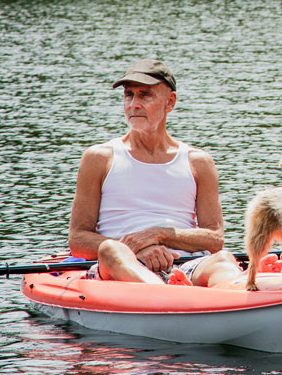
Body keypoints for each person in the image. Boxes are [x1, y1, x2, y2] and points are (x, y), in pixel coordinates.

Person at [66, 58, 235, 286]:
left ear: (170, 102)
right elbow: (78, 240)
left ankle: (248, 294)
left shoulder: (199, 162)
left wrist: (159, 235)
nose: (134, 104)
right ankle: (168, 296)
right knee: (110, 250)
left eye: (145, 95)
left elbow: (215, 239)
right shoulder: (99, 158)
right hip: (120, 263)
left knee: (223, 260)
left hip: (185, 263)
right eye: (129, 95)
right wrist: (136, 249)